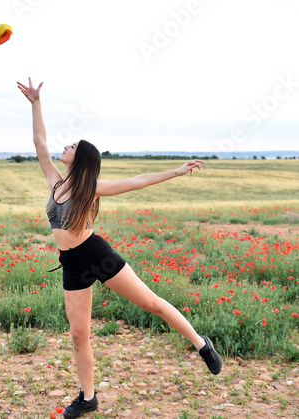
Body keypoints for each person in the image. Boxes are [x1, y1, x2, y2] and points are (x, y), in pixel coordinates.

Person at [17, 78, 222, 419]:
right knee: (80, 334)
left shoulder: (91, 186)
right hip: (71, 263)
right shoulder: (54, 180)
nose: (63, 147)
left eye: (70, 145)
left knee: (152, 303)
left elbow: (138, 181)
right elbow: (39, 141)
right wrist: (36, 103)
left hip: (97, 255)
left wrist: (177, 171)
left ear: (80, 158)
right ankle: (88, 398)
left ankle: (201, 344)